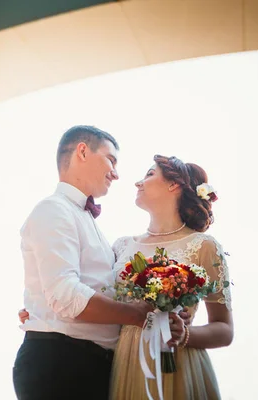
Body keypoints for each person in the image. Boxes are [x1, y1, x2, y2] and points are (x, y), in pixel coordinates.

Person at [19, 155, 233, 400]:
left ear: (174, 185)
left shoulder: (204, 246)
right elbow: (87, 291)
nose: (138, 183)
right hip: (124, 363)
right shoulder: (121, 246)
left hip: (177, 364)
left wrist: (184, 334)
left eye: (150, 174)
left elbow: (224, 329)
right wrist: (39, 309)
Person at [12, 126, 187, 400]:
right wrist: (138, 315)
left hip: (92, 365)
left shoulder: (88, 223)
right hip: (62, 364)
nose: (116, 174)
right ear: (83, 151)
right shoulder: (53, 210)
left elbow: (83, 291)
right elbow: (65, 295)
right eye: (111, 160)